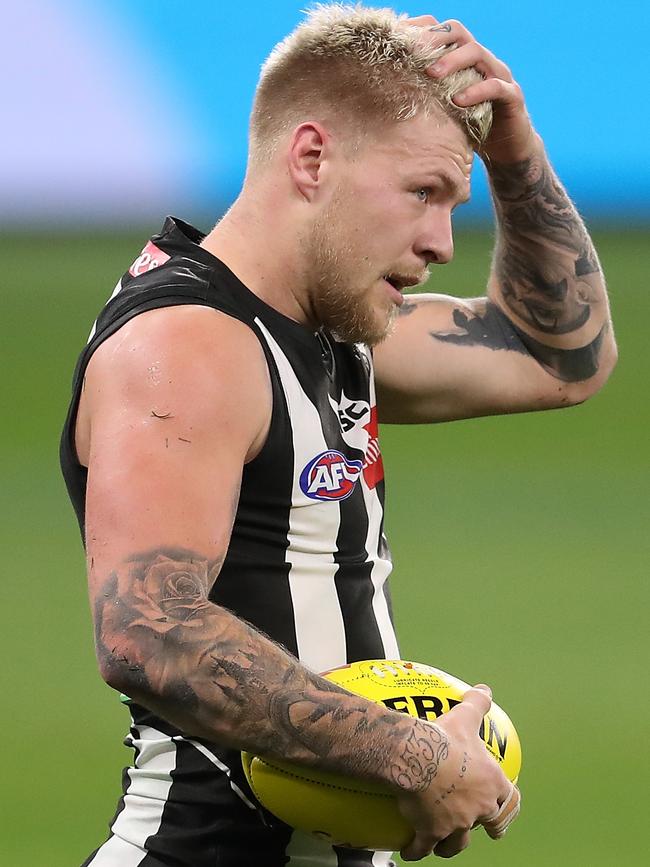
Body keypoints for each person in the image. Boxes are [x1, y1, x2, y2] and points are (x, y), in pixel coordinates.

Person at [60, 5, 616, 866]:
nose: (439, 242)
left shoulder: (334, 325)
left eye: (454, 203)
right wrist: (416, 755)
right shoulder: (188, 344)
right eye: (423, 192)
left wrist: (515, 153)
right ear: (313, 157)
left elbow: (559, 355)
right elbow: (148, 629)